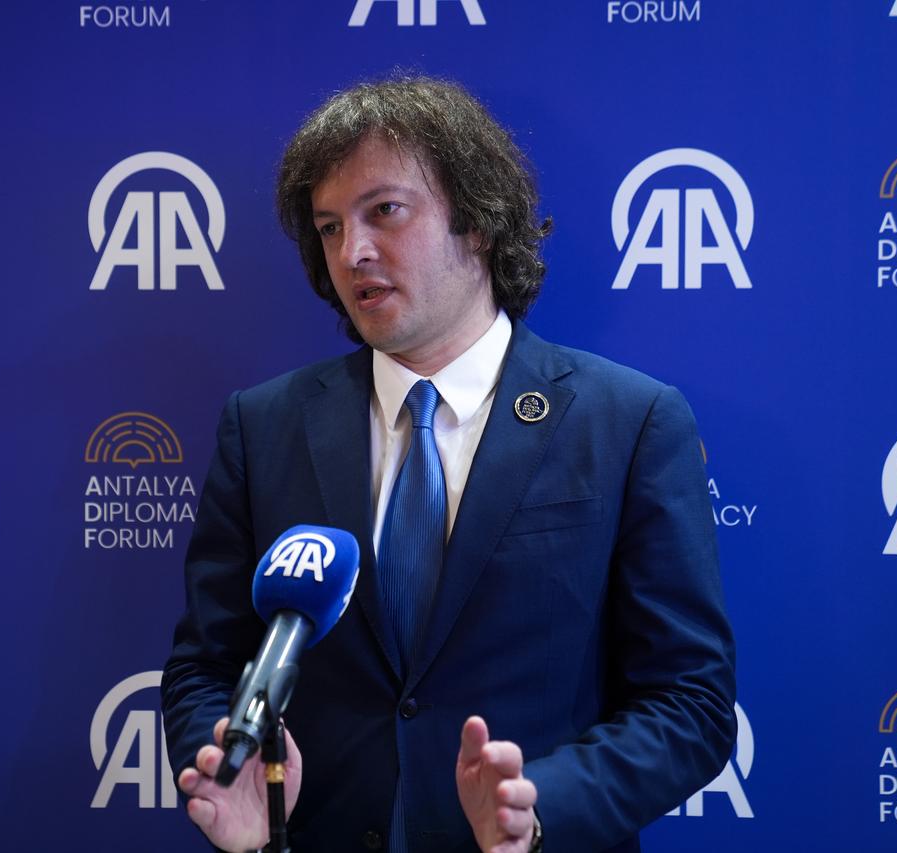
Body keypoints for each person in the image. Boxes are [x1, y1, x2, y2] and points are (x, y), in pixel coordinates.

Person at [161, 75, 735, 853]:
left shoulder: (629, 422)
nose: (352, 252)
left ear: (480, 221)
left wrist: (540, 805)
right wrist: (232, 767)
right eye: (329, 227)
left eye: (384, 211)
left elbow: (690, 702)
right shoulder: (262, 426)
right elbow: (205, 665)